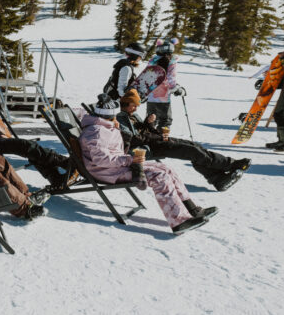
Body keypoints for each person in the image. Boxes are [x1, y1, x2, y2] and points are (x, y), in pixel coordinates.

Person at [79, 95, 215, 235]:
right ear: (110, 116)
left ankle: (191, 209)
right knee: (159, 175)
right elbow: (101, 160)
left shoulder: (104, 126)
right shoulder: (96, 132)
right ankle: (178, 221)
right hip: (106, 172)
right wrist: (130, 159)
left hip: (116, 167)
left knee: (165, 168)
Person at [117, 89, 249, 191]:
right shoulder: (120, 119)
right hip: (149, 148)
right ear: (126, 104)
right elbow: (133, 138)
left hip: (157, 142)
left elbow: (145, 131)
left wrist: (149, 124)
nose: (136, 108)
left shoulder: (133, 116)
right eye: (134, 105)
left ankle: (217, 178)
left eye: (136, 105)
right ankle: (229, 164)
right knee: (191, 151)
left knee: (194, 146)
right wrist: (156, 135)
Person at [144, 37, 185, 129]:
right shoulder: (171, 62)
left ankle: (149, 138)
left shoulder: (152, 61)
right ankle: (161, 140)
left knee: (151, 120)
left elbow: (146, 77)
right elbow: (171, 79)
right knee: (165, 121)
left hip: (151, 96)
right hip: (163, 96)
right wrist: (176, 88)